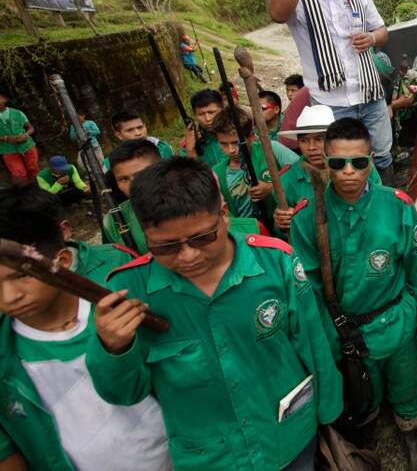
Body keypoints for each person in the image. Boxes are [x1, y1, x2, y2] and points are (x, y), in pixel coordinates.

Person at [85, 157, 343, 470]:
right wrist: (114, 349)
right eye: (166, 246)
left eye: (202, 237)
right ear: (145, 233)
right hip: (209, 457)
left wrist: (329, 415)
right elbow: (124, 394)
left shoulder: (275, 262)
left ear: (223, 213)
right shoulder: (127, 290)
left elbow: (314, 343)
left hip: (287, 437)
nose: (188, 256)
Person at [288, 118, 417, 471]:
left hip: (395, 320)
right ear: (324, 162)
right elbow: (308, 291)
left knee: (406, 380)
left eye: (359, 162)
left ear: (371, 160)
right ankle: (367, 426)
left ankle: (410, 429)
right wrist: (328, 341)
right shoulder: (307, 219)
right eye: (337, 163)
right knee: (362, 391)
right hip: (347, 332)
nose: (348, 172)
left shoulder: (397, 206)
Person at [0, 184, 171, 471]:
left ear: (62, 260)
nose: (9, 296)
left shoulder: (125, 312)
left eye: (22, 276)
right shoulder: (6, 356)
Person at [268, 0, 395, 183]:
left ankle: (389, 202)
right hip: (331, 104)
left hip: (370, 96)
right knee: (340, 166)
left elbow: (382, 30)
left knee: (381, 156)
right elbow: (278, 13)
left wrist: (371, 37)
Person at [105, 139, 267, 252]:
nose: (134, 185)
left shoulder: (197, 197)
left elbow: (232, 232)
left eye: (141, 174)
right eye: (123, 179)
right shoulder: (115, 221)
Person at [272, 107, 382, 235]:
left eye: (319, 139)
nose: (311, 147)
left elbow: (377, 204)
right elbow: (282, 232)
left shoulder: (360, 165)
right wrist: (282, 223)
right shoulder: (287, 179)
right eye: (304, 140)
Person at [211, 106, 299, 225]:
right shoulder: (217, 173)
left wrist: (272, 188)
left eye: (235, 143)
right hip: (246, 237)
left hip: (282, 231)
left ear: (251, 136)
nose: (231, 150)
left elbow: (303, 176)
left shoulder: (271, 149)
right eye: (223, 144)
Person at [107, 110, 174, 168]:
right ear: (119, 135)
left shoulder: (163, 148)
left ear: (145, 126)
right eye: (130, 130)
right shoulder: (110, 162)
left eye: (140, 127)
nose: (138, 133)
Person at [179, 88, 227, 169]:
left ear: (222, 110)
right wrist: (191, 151)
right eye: (201, 114)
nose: (207, 119)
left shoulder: (237, 132)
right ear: (194, 115)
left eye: (211, 112)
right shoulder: (190, 143)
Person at [0, 89, 38, 182]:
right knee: (18, 174)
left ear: (5, 99)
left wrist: (25, 135)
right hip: (7, 149)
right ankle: (24, 194)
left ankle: (38, 191)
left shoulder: (17, 112)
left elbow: (31, 128)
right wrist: (6, 138)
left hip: (27, 145)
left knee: (33, 169)